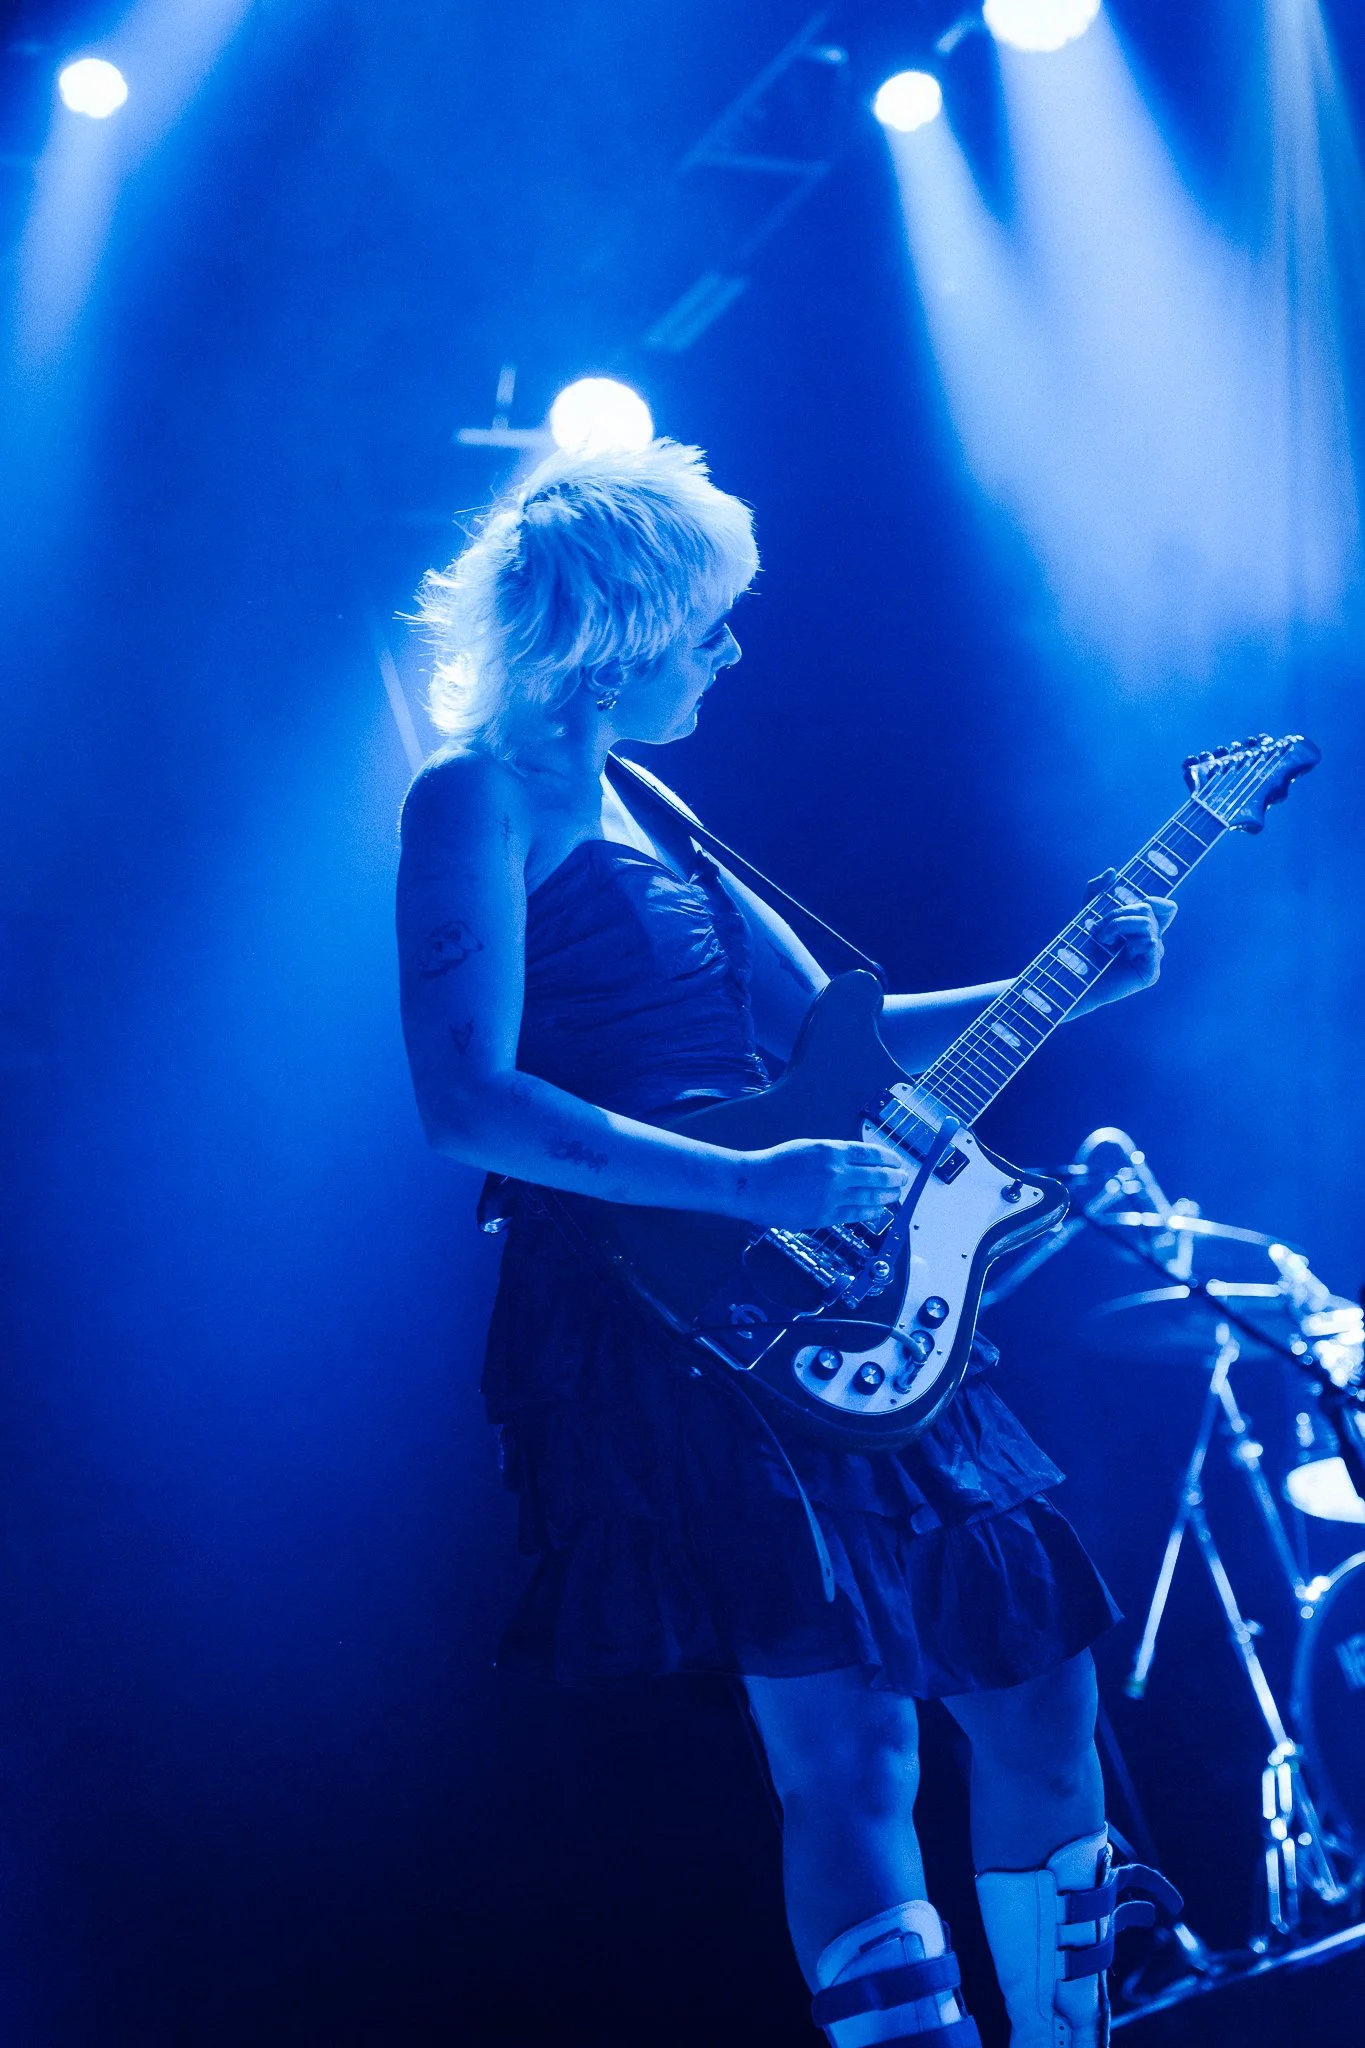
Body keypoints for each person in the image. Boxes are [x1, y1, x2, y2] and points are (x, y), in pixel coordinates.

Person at [396, 440, 1178, 2048]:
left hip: (829, 1280)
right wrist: (751, 1188)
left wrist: (1064, 986)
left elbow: (845, 1049)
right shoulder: (474, 797)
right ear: (621, 631)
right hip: (671, 1308)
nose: (730, 653)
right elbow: (467, 1103)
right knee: (849, 1750)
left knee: (1040, 1682)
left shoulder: (658, 804)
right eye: (709, 625)